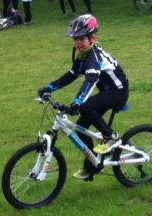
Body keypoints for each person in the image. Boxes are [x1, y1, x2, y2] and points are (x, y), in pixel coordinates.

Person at [37, 14, 129, 180]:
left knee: (86, 107)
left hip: (118, 92)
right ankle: (92, 166)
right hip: (107, 92)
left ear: (93, 38)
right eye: (75, 39)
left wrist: (78, 102)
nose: (77, 43)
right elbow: (70, 76)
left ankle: (110, 137)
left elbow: (91, 80)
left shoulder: (93, 57)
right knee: (81, 128)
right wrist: (49, 88)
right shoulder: (82, 56)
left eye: (81, 39)